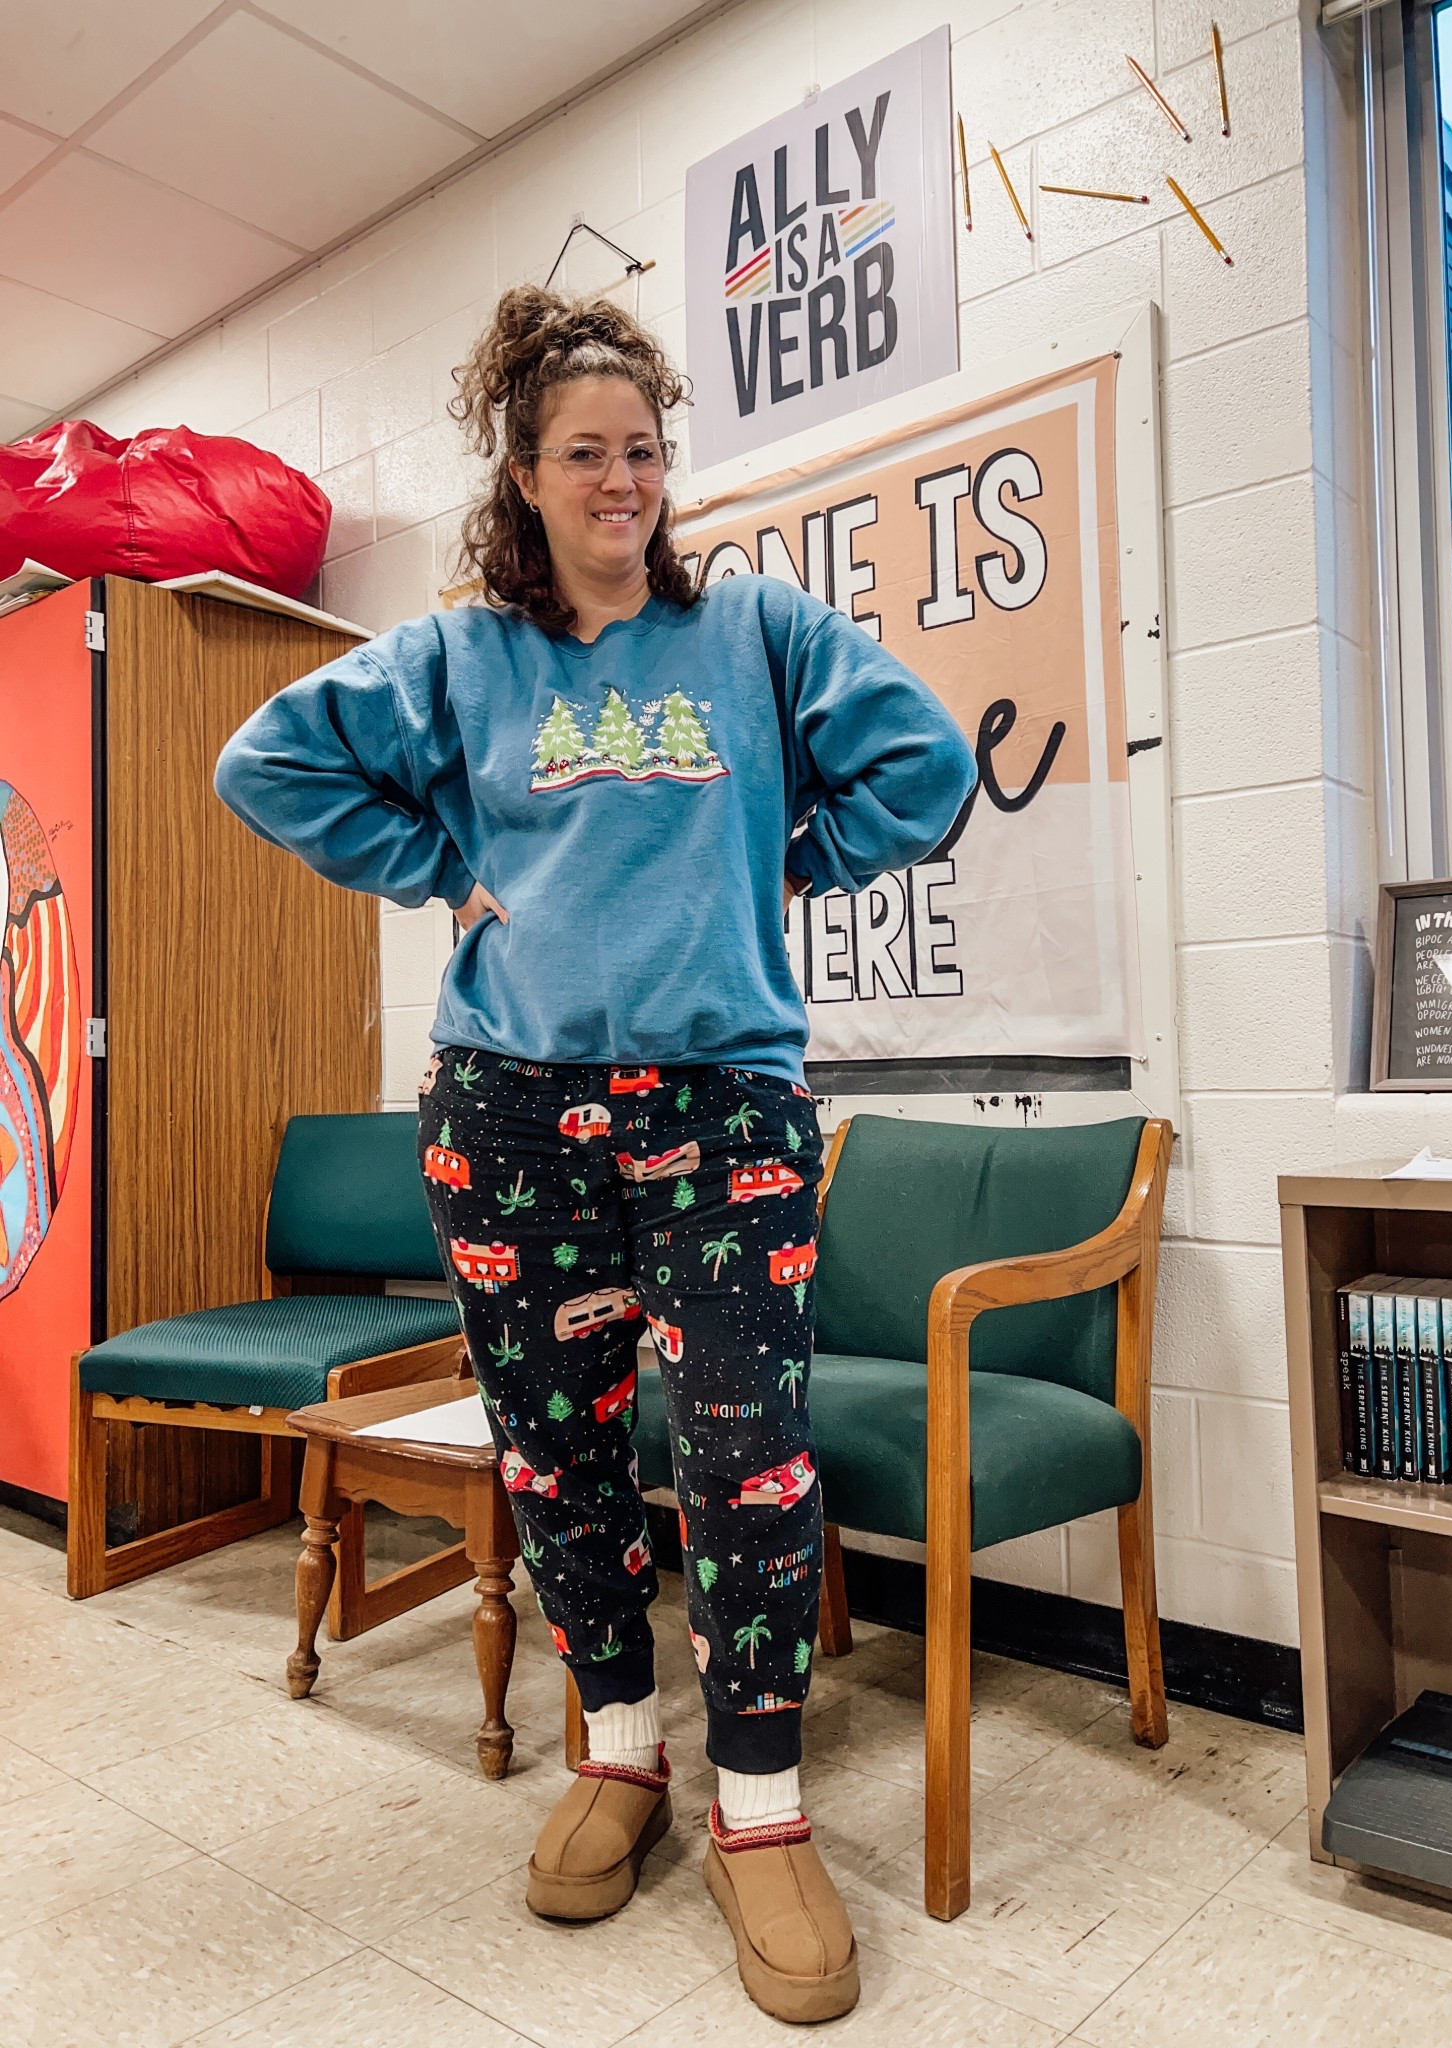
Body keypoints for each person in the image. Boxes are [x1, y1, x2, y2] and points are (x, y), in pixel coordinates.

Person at [215, 285, 976, 2026]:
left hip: (724, 1105)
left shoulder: (758, 629)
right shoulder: (466, 653)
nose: (619, 479)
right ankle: (621, 1753)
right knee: (556, 1458)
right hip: (507, 1103)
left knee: (746, 1455)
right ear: (528, 471)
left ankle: (761, 1809)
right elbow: (268, 763)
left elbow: (922, 766)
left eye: (641, 450)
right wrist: (434, 868)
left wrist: (788, 856)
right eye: (585, 454)